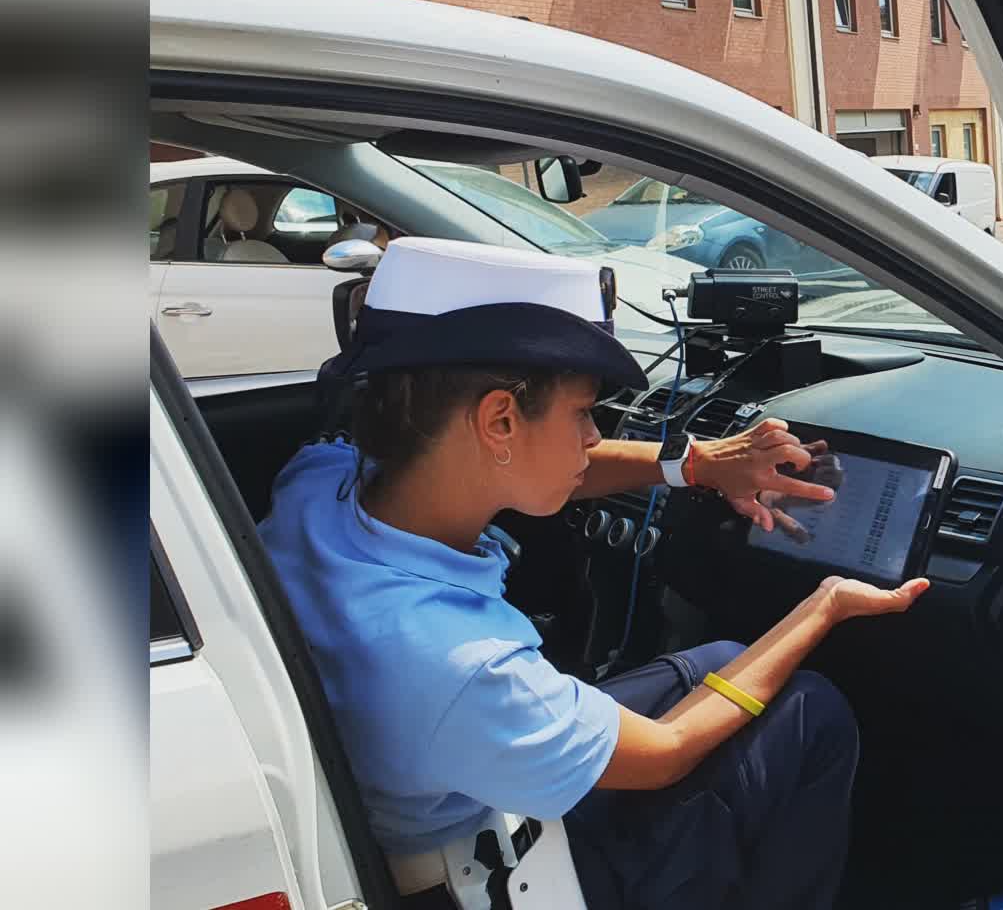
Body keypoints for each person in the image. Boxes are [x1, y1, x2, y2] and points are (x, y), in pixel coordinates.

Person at [259, 237, 929, 908]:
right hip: (491, 869)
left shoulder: (319, 484)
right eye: (582, 412)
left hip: (445, 771)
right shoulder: (458, 664)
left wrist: (691, 465)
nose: (590, 437)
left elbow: (545, 468)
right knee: (812, 711)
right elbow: (666, 751)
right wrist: (824, 606)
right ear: (498, 420)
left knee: (729, 659)